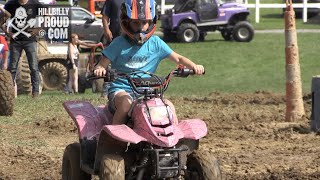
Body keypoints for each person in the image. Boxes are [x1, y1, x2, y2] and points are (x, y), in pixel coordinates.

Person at [94, 0, 205, 125]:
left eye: (145, 22)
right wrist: (100, 69)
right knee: (126, 104)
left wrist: (194, 66)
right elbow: (101, 64)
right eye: (136, 22)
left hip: (147, 91)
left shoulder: (156, 43)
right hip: (121, 90)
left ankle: (173, 139)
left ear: (151, 22)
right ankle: (114, 139)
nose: (141, 27)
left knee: (168, 105)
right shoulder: (118, 43)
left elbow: (178, 59)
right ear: (126, 22)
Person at [4, 0, 43, 98]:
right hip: (15, 41)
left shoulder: (35, 4)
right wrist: (7, 32)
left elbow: (48, 16)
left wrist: (38, 29)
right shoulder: (10, 4)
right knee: (12, 68)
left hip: (30, 40)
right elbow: (1, 20)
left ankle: (35, 92)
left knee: (33, 67)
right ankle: (9, 92)